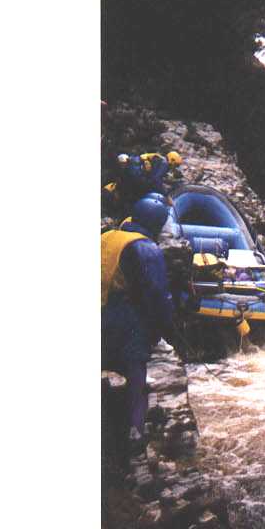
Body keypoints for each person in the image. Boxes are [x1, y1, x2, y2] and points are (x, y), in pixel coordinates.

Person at [101, 194, 176, 457]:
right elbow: (157, 294)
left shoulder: (107, 236)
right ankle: (135, 432)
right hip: (120, 316)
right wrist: (162, 329)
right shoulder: (145, 248)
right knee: (136, 372)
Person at [103, 150, 183, 214]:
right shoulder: (164, 164)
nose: (174, 167)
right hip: (137, 178)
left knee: (124, 191)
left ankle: (113, 204)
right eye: (176, 165)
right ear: (172, 160)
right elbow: (156, 180)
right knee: (137, 196)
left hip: (131, 172)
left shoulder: (158, 158)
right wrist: (167, 196)